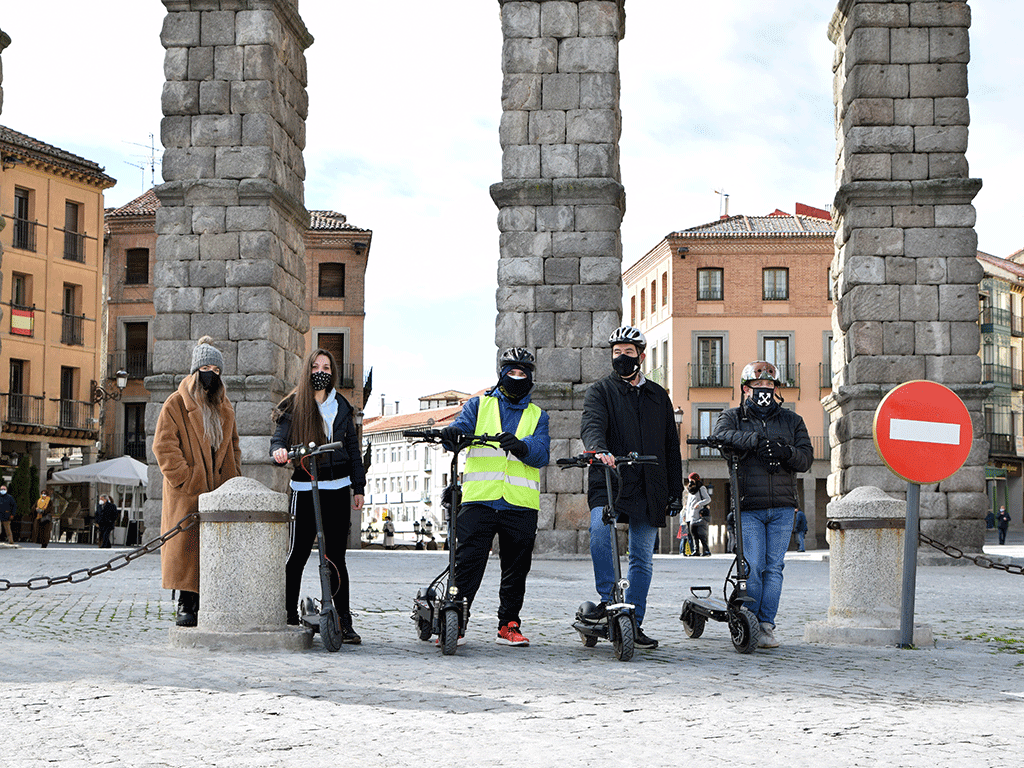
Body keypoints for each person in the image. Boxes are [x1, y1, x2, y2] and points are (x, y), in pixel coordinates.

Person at [438, 347, 551, 647]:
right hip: (481, 499)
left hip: (520, 503)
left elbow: (541, 453)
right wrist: (452, 436)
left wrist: (522, 447)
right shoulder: (478, 406)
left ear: (530, 377)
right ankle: (456, 620)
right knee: (469, 561)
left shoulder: (538, 415)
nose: (516, 377)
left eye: (522, 373)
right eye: (511, 372)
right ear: (500, 375)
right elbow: (461, 430)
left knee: (516, 568)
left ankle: (508, 624)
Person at [580, 326, 683, 650]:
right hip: (609, 478)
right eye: (616, 353)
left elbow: (670, 446)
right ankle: (610, 601)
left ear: (641, 354)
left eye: (628, 352)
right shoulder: (600, 392)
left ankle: (633, 620)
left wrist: (674, 492)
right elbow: (592, 424)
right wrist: (599, 449)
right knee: (599, 532)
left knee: (642, 556)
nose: (621, 358)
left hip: (650, 482)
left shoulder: (658, 396)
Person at [711, 360, 813, 649]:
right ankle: (750, 621)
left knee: (774, 567)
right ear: (746, 389)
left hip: (782, 506)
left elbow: (805, 458)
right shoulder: (733, 417)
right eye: (758, 386)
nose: (764, 390)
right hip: (749, 506)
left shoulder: (793, 421)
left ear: (776, 389)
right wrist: (755, 441)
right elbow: (720, 436)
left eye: (769, 385)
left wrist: (786, 451)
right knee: (753, 567)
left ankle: (766, 625)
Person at [271, 347, 365, 643]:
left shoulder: (343, 407)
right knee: (297, 554)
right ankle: (287, 615)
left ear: (332, 372)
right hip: (305, 487)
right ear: (307, 371)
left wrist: (358, 487)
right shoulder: (294, 405)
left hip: (337, 489)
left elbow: (353, 450)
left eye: (326, 367)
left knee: (336, 557)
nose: (320, 372)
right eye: (315, 367)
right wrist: (279, 452)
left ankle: (345, 622)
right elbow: (278, 439)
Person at [153, 336, 241, 627]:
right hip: (187, 494)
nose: (210, 374)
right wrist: (187, 479)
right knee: (187, 550)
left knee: (214, 550)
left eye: (216, 370)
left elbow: (234, 448)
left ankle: (211, 602)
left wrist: (233, 480)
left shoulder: (224, 408)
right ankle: (185, 604)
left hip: (219, 491)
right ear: (194, 371)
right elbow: (164, 446)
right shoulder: (175, 404)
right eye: (205, 367)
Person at [685, 472, 712, 556]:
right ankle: (696, 550)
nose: (690, 482)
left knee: (701, 534)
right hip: (690, 515)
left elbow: (708, 499)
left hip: (698, 515)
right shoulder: (690, 490)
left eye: (691, 480)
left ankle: (706, 550)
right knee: (693, 534)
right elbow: (689, 503)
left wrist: (699, 504)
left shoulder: (701, 488)